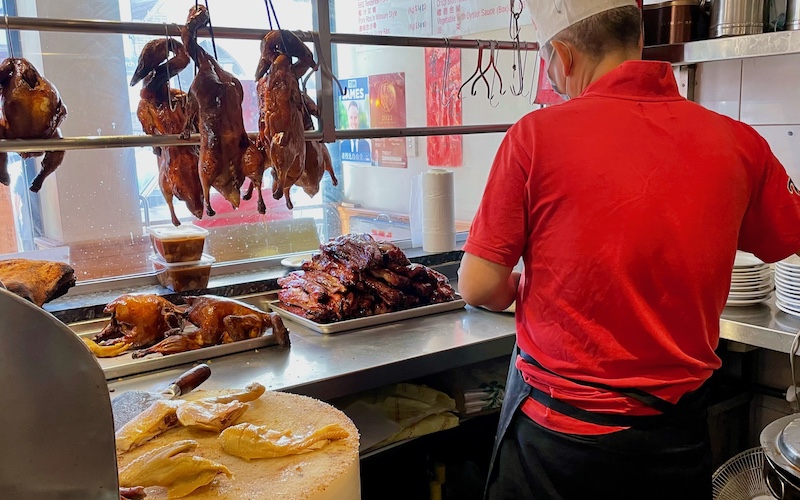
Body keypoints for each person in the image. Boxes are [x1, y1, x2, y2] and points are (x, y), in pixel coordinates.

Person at [457, 1, 800, 499]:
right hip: (673, 442)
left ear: (564, 56)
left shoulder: (534, 136)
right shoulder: (738, 142)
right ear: (638, 41)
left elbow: (479, 285)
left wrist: (528, 285)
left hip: (556, 444)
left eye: (549, 66)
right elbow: (781, 238)